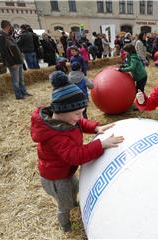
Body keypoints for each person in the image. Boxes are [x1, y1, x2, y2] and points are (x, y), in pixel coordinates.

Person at [30, 71, 124, 232]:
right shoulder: (55, 134)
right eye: (77, 113)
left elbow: (81, 123)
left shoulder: (68, 119)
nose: (80, 117)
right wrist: (101, 145)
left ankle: (72, 203)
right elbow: (75, 156)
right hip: (56, 179)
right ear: (61, 111)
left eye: (81, 113)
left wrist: (95, 127)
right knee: (64, 204)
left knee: (76, 188)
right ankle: (65, 225)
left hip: (65, 172)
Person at [0, 20, 31, 100]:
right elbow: (4, 52)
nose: (11, 28)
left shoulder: (8, 36)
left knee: (21, 79)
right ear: (7, 26)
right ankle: (19, 95)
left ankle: (24, 92)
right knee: (15, 80)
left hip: (18, 60)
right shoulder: (1, 37)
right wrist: (11, 62)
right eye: (10, 26)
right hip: (13, 62)